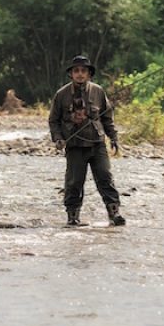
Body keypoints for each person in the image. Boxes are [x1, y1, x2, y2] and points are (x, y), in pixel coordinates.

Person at [49, 55, 126, 227]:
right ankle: (73, 216)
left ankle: (114, 213)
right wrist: (58, 138)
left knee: (105, 177)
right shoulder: (61, 95)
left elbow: (107, 118)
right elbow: (53, 121)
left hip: (97, 143)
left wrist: (113, 137)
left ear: (89, 74)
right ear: (71, 74)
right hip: (75, 145)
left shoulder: (98, 91)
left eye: (83, 71)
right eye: (76, 71)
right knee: (74, 182)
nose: (80, 74)